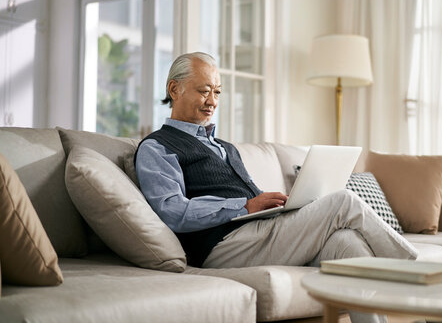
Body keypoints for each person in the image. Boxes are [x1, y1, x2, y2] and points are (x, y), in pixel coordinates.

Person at [136, 52, 418, 323]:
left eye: (218, 92)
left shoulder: (225, 148)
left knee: (346, 243)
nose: (212, 101)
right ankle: (417, 276)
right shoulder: (157, 147)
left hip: (257, 233)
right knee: (342, 201)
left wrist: (276, 205)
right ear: (175, 89)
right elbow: (171, 210)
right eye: (204, 90)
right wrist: (245, 206)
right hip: (221, 246)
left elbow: (251, 200)